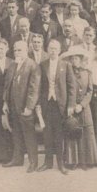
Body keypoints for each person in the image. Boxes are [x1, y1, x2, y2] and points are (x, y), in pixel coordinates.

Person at [37, 39, 76, 174]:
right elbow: (39, 86)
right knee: (47, 135)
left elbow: (72, 86)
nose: (53, 51)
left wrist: (71, 105)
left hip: (61, 105)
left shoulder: (66, 65)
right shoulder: (42, 65)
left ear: (59, 51)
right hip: (47, 103)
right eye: (51, 48)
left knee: (59, 135)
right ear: (47, 50)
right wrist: (39, 104)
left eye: (55, 48)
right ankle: (47, 163)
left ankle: (61, 164)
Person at [2, 40, 41, 173]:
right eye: (15, 50)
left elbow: (34, 88)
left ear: (26, 51)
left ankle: (33, 162)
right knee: (16, 133)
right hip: (13, 105)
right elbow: (7, 86)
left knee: (29, 135)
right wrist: (5, 102)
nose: (17, 52)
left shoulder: (33, 65)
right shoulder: (13, 65)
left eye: (20, 50)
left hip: (25, 107)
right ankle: (17, 159)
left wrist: (29, 107)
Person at [62, 47, 97, 170]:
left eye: (76, 58)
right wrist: (71, 105)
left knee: (86, 132)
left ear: (81, 59)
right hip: (71, 107)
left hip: (84, 107)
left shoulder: (87, 73)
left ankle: (86, 161)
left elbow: (89, 91)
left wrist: (82, 105)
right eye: (72, 58)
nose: (74, 61)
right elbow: (65, 91)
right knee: (72, 130)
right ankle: (72, 161)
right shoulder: (66, 72)